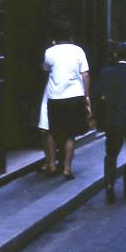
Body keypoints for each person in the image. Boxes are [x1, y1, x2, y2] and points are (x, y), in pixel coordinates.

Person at [93, 42, 126, 203]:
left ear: (115, 55)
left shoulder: (105, 73)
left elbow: (97, 94)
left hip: (112, 119)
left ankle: (109, 184)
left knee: (111, 153)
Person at [40, 22, 90, 180]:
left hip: (55, 97)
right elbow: (86, 74)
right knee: (70, 134)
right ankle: (67, 168)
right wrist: (86, 95)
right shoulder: (78, 51)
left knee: (53, 131)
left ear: (54, 37)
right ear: (70, 35)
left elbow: (45, 69)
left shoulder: (49, 52)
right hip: (75, 96)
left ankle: (53, 165)